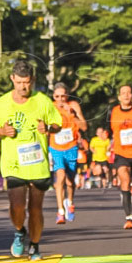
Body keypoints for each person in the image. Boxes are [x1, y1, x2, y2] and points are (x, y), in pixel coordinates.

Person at [0, 60, 61, 256]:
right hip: (14, 164)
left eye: (27, 82)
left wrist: (48, 128)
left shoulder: (43, 101)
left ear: (33, 80)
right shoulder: (2, 102)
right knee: (17, 205)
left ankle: (35, 244)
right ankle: (20, 231)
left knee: (35, 208)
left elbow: (57, 124)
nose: (23, 86)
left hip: (38, 164)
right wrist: (2, 131)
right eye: (19, 82)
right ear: (12, 79)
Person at [109, 84, 132, 229]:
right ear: (119, 97)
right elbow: (108, 129)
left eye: (129, 92)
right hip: (121, 152)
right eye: (123, 93)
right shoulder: (113, 112)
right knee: (124, 180)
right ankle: (129, 218)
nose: (126, 95)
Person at [49, 82, 86, 224]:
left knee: (70, 182)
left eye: (63, 96)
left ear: (67, 95)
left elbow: (84, 126)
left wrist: (73, 114)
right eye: (57, 96)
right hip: (55, 148)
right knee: (60, 177)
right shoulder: (50, 107)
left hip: (71, 147)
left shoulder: (74, 106)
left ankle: (70, 203)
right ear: (54, 96)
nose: (60, 99)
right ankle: (60, 211)